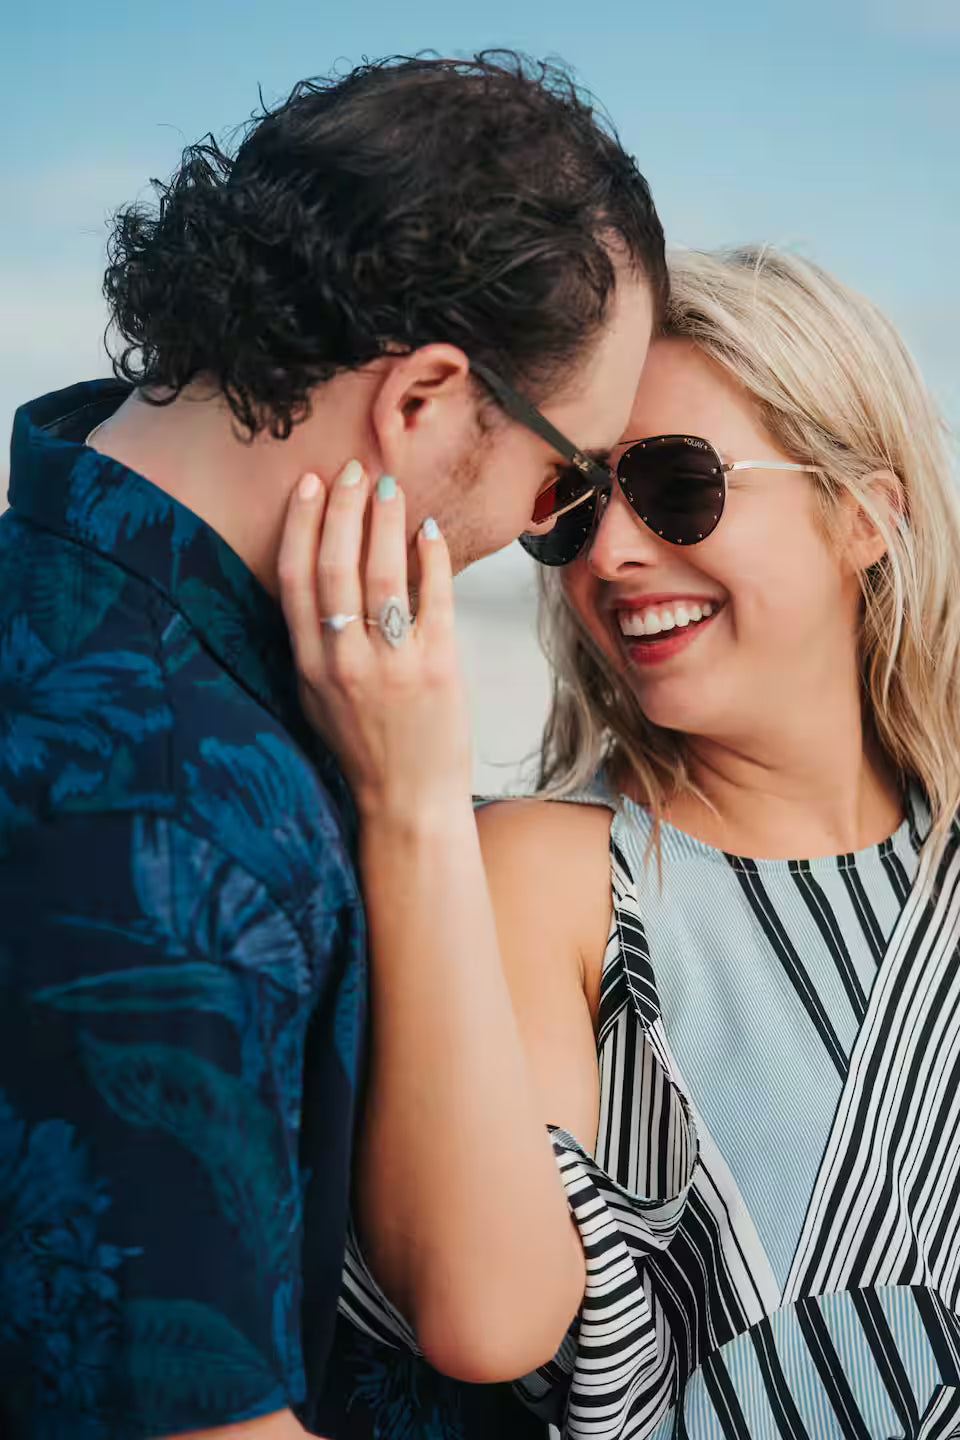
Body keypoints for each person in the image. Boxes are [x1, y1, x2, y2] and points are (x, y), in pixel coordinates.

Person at [0, 53, 665, 1440]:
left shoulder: (73, 623)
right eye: (566, 485)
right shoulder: (172, 811)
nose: (568, 545)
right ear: (421, 401)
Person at [280, 243, 960, 1439]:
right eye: (577, 501)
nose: (609, 552)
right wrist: (409, 795)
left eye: (678, 485)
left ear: (865, 514)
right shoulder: (547, 875)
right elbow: (484, 1312)